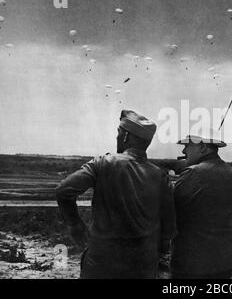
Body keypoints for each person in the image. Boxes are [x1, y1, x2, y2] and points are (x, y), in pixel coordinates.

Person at [56, 110, 176, 279]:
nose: (117, 137)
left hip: (103, 262)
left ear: (126, 136)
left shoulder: (103, 163)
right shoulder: (160, 176)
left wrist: (75, 224)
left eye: (119, 133)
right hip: (143, 265)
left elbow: (63, 191)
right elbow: (168, 227)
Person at [170, 130, 232, 279]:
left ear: (202, 147)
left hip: (193, 262)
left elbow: (170, 212)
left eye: (188, 146)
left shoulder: (192, 173)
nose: (184, 150)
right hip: (225, 260)